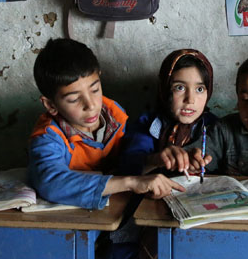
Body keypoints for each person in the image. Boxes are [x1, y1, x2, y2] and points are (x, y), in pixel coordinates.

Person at [27, 38, 184, 210]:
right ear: (51, 105)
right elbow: (50, 182)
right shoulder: (48, 136)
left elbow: (126, 164)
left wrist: (156, 160)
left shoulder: (114, 115)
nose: (91, 105)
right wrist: (130, 182)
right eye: (73, 99)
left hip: (116, 212)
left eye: (95, 90)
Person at [119, 49, 219, 176]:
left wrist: (199, 164)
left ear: (208, 92)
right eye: (180, 87)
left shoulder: (214, 127)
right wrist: (156, 159)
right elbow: (126, 167)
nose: (190, 100)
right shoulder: (147, 124)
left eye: (199, 89)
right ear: (165, 90)